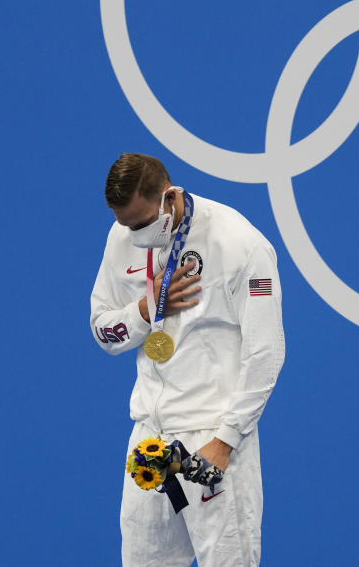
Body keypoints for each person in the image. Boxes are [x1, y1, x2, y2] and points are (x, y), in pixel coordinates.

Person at [89, 153, 285, 566]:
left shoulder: (240, 244)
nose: (134, 234)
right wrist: (145, 310)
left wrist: (226, 439)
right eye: (126, 225)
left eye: (142, 223)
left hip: (211, 437)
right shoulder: (120, 236)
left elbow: (266, 352)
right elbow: (103, 331)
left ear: (168, 195)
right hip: (149, 438)